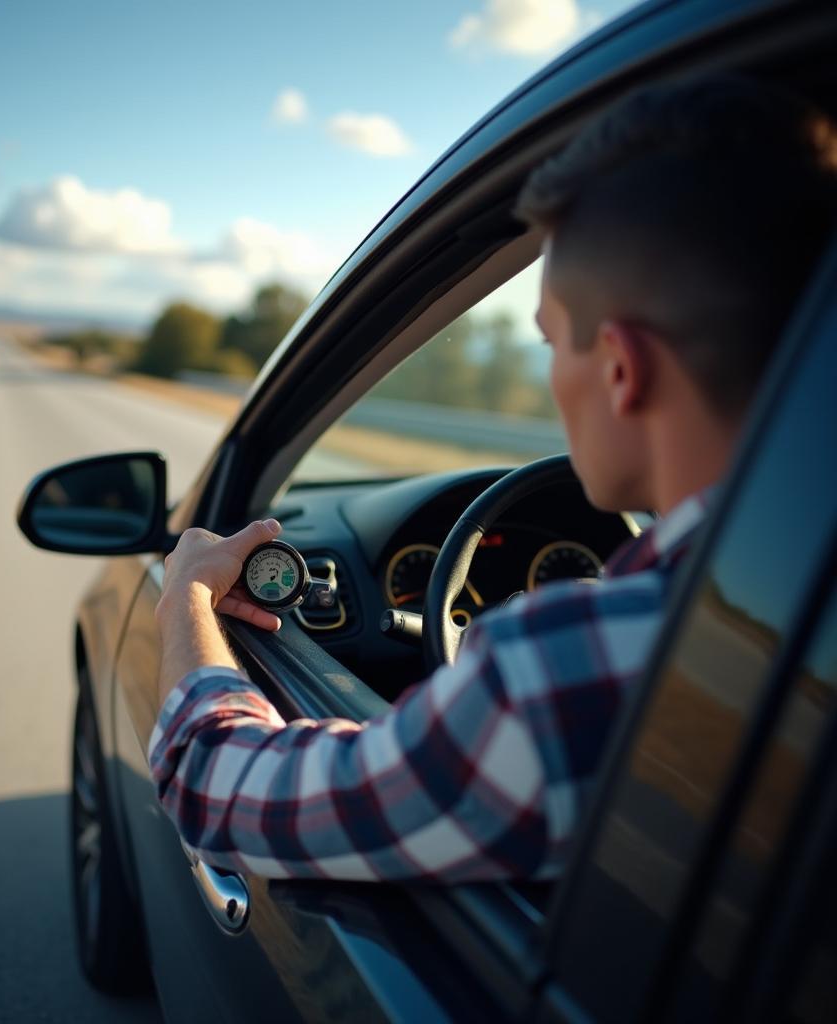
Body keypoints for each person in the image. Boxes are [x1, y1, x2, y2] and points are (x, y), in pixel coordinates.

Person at [146, 74, 837, 883]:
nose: (552, 380)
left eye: (551, 343)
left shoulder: (570, 671)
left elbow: (218, 791)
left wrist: (187, 599)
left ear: (620, 368)